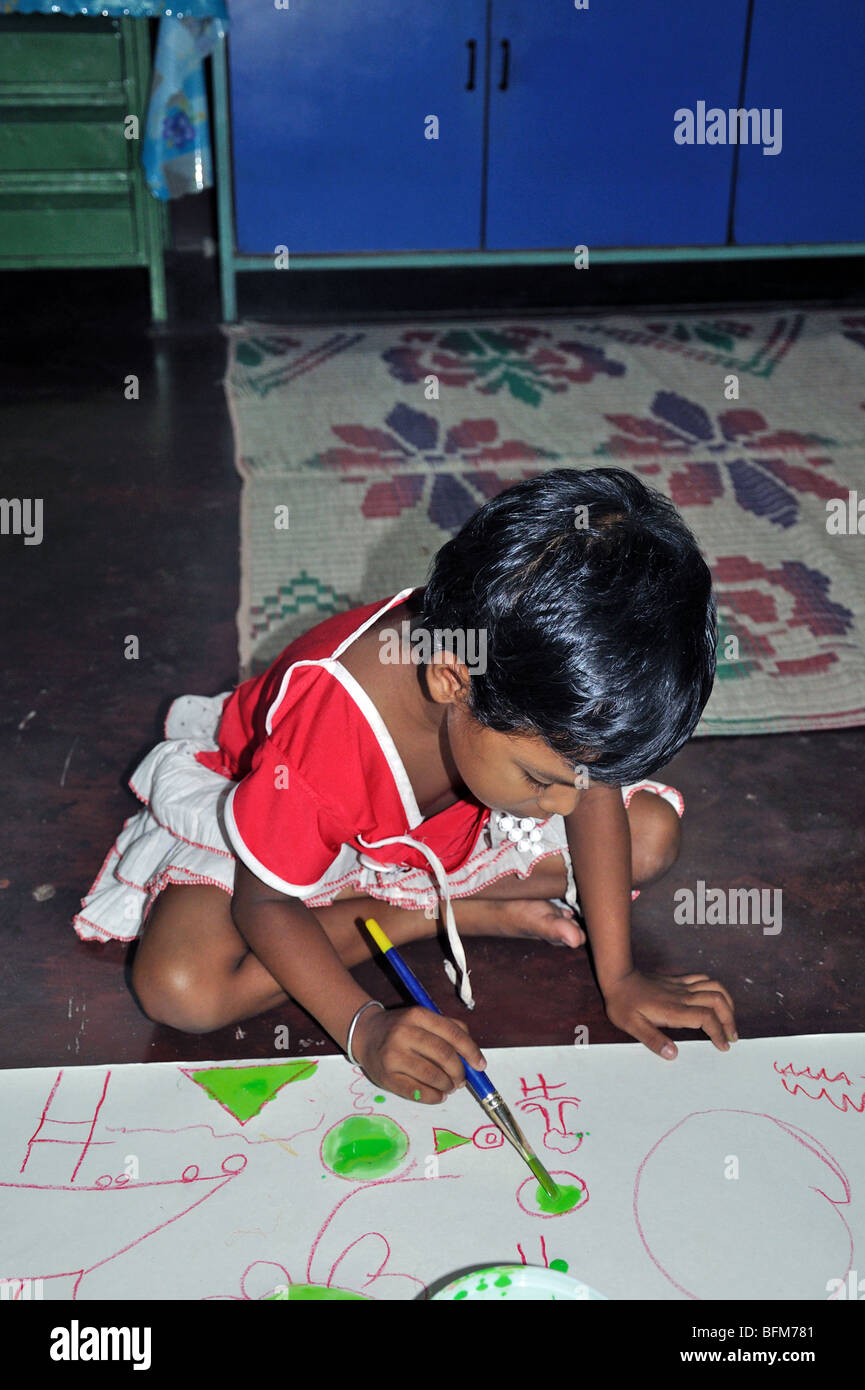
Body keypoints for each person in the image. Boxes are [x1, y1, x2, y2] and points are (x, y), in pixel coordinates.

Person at [75, 467, 736, 1101]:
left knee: (645, 837)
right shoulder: (328, 728)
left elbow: (587, 792)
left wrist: (618, 978)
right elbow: (265, 905)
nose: (569, 805)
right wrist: (363, 1030)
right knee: (183, 988)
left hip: (421, 830)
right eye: (542, 780)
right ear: (451, 680)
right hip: (282, 822)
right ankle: (418, 914)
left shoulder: (515, 680)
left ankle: (425, 899)